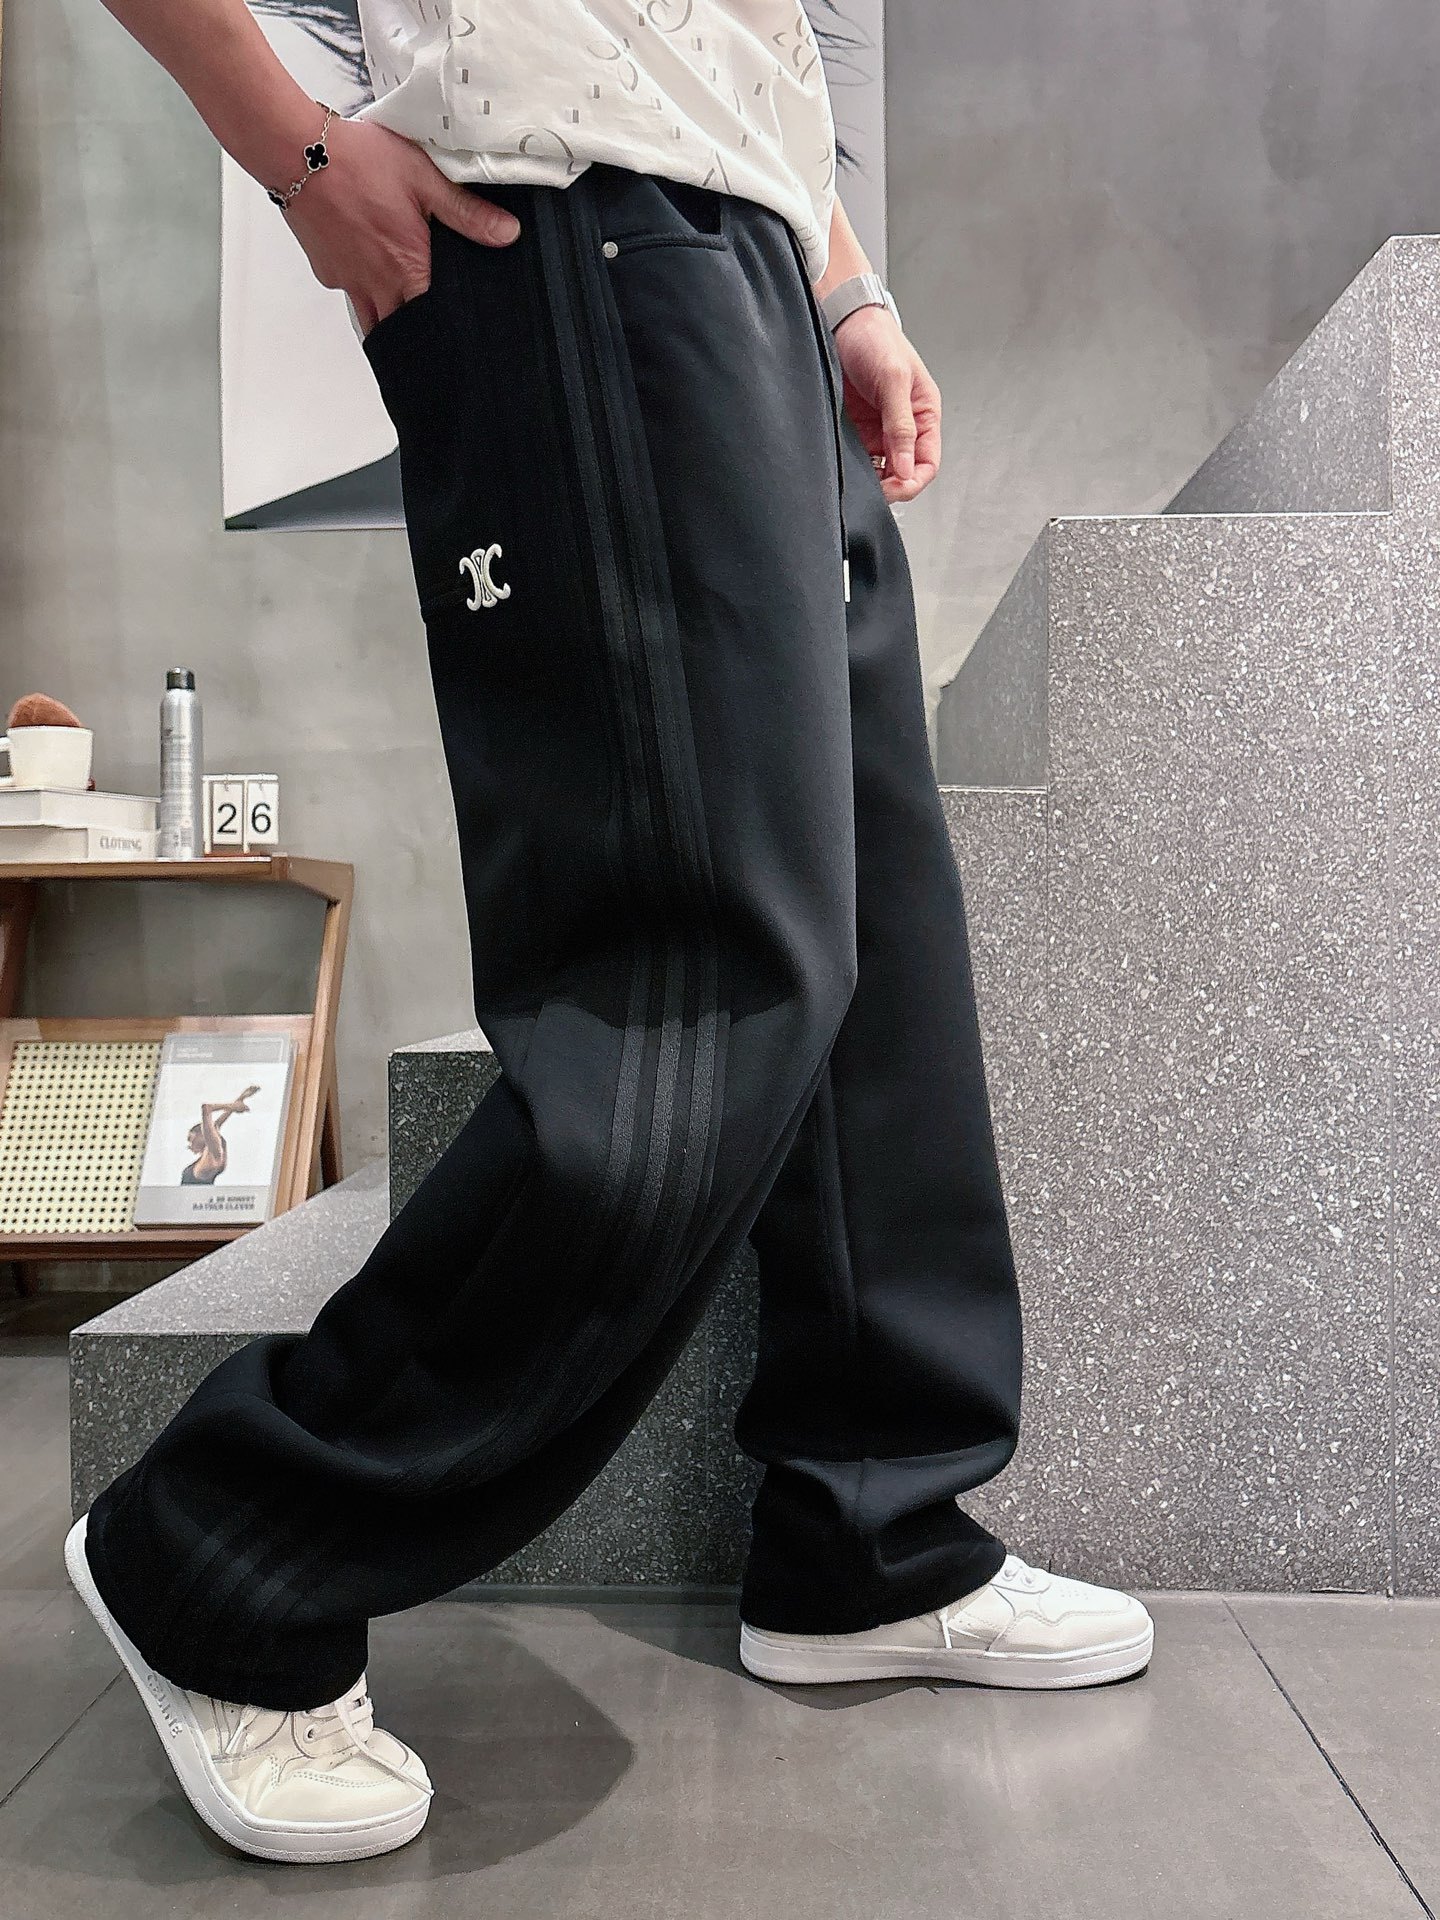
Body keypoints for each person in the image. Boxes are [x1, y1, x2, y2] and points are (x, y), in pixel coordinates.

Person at [65, 0, 1154, 1867]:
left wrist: (843, 287)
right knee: (696, 977)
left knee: (874, 937)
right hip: (563, 218)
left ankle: (870, 1531)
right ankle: (226, 1548)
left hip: (753, 257)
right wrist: (300, 159)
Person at [179, 1084, 262, 1185]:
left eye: (190, 1139)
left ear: (203, 1135)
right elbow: (217, 1124)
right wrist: (241, 1098)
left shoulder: (213, 1155)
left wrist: (234, 1106)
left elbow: (206, 1108)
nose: (189, 1145)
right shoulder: (212, 1153)